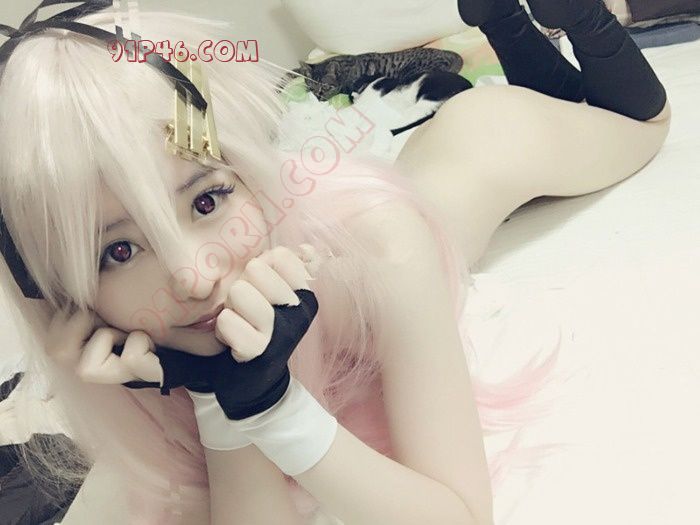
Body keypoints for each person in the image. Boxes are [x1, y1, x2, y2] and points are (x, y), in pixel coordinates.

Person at [0, 1, 669, 524]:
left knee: (644, 126)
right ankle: (507, 25)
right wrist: (221, 389)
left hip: (482, 139)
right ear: (56, 293)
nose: (194, 277)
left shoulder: (385, 245)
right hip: (418, 180)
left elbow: (461, 516)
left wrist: (277, 410)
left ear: (253, 177)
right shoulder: (135, 343)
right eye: (118, 251)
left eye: (207, 199)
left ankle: (541, 22)